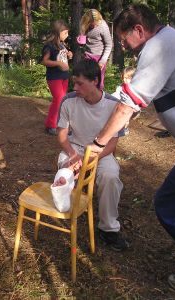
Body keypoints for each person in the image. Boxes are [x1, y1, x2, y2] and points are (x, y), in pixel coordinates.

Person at [86, 4, 175, 294]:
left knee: (169, 203)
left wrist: (97, 143)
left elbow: (128, 106)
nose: (122, 46)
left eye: (122, 39)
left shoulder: (158, 48)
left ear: (139, 30)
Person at [57, 59, 128, 252]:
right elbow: (62, 135)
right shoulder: (68, 100)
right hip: (74, 149)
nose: (75, 87)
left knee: (110, 176)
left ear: (95, 81)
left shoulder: (114, 105)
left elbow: (113, 143)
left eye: (80, 83)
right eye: (74, 82)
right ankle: (67, 210)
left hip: (101, 153)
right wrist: (72, 156)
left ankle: (109, 228)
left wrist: (89, 161)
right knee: (64, 173)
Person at [41, 20, 73, 136]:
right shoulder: (49, 46)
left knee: (63, 101)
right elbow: (44, 61)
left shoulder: (62, 45)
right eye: (65, 33)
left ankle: (60, 124)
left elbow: (62, 58)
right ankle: (50, 125)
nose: (67, 35)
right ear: (58, 32)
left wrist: (69, 55)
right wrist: (58, 64)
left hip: (64, 76)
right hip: (54, 78)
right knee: (58, 100)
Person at [78, 9, 113, 90]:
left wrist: (102, 61)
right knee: (86, 79)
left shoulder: (103, 27)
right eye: (93, 24)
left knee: (98, 82)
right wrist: (81, 41)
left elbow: (109, 44)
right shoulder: (84, 25)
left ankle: (99, 100)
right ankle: (86, 99)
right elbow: (84, 39)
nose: (95, 26)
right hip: (87, 55)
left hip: (99, 57)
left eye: (97, 23)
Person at [112, 66, 136, 134]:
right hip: (120, 105)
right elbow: (117, 94)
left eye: (128, 78)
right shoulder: (122, 86)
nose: (125, 80)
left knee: (125, 119)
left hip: (129, 107)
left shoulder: (133, 88)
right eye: (124, 77)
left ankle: (123, 129)